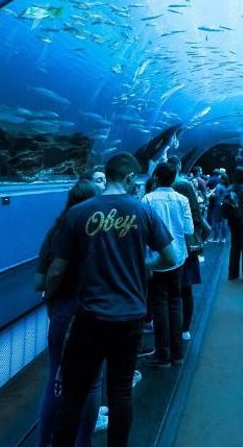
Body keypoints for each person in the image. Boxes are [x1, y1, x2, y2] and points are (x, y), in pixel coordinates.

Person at [46, 153, 178, 447]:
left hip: (90, 317)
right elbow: (171, 256)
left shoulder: (79, 212)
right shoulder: (143, 211)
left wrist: (50, 295)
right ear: (130, 178)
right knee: (120, 393)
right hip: (130, 316)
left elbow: (57, 268)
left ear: (108, 173)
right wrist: (146, 265)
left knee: (74, 394)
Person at [34, 180, 103, 446]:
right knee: (92, 382)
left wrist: (50, 296)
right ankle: (82, 441)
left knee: (55, 378)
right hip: (95, 312)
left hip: (62, 311)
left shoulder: (56, 232)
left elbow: (41, 280)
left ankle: (44, 441)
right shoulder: (102, 235)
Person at [139, 161, 192, 369]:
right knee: (175, 302)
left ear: (156, 177)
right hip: (178, 257)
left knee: (159, 304)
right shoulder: (182, 199)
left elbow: (142, 232)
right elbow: (188, 230)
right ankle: (177, 352)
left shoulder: (148, 200)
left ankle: (163, 354)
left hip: (156, 259)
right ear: (174, 177)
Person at [167, 155, 209, 341]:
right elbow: (195, 213)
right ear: (178, 166)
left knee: (165, 290)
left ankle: (166, 326)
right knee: (186, 288)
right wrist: (200, 233)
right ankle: (184, 328)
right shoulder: (184, 184)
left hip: (164, 243)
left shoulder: (153, 184)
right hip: (185, 241)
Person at [207, 171, 230, 242]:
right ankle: (223, 238)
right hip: (225, 204)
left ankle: (215, 238)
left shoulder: (218, 186)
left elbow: (216, 196)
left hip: (218, 205)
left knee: (216, 221)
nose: (218, 178)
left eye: (220, 178)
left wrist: (211, 194)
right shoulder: (227, 186)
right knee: (224, 222)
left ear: (222, 179)